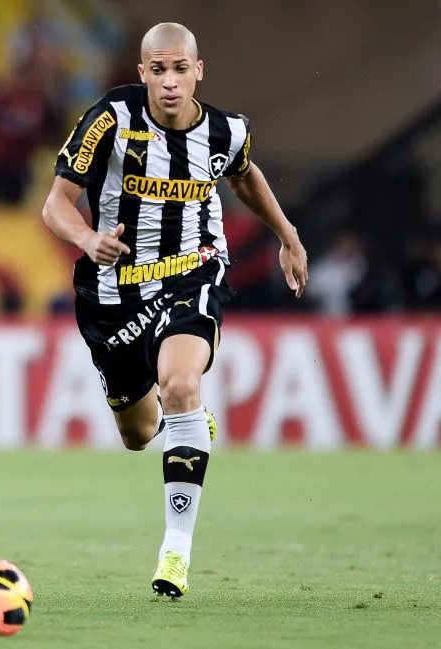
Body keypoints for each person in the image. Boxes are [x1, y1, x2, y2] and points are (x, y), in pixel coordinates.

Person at [42, 23, 309, 597]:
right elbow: (55, 205)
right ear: (141, 74)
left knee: (182, 383)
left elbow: (243, 176)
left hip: (194, 271)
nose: (169, 82)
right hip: (113, 293)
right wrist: (88, 240)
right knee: (139, 434)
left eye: (180, 70)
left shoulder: (227, 130)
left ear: (199, 70)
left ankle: (175, 553)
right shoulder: (109, 120)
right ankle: (182, 427)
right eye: (157, 71)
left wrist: (287, 235)